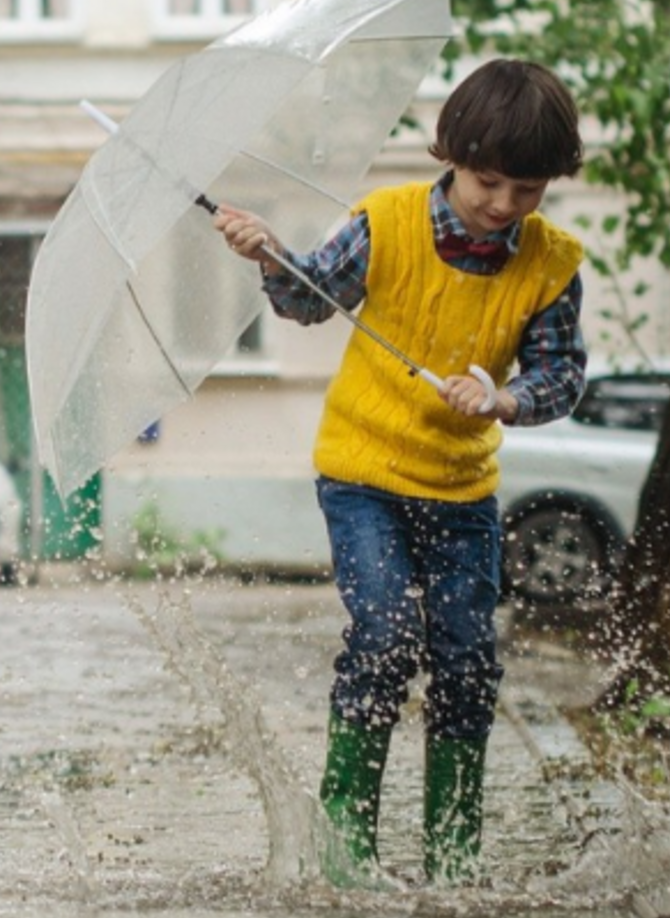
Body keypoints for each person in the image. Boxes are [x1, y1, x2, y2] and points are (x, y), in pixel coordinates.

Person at [213, 58, 587, 888]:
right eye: (489, 181)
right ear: (450, 154)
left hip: (462, 491)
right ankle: (347, 857)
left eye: (527, 190)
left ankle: (453, 862)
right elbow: (309, 299)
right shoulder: (385, 224)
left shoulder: (552, 264)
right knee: (384, 641)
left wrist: (508, 398)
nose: (503, 205)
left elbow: (561, 376)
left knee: (465, 662)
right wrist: (270, 254)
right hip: (364, 477)